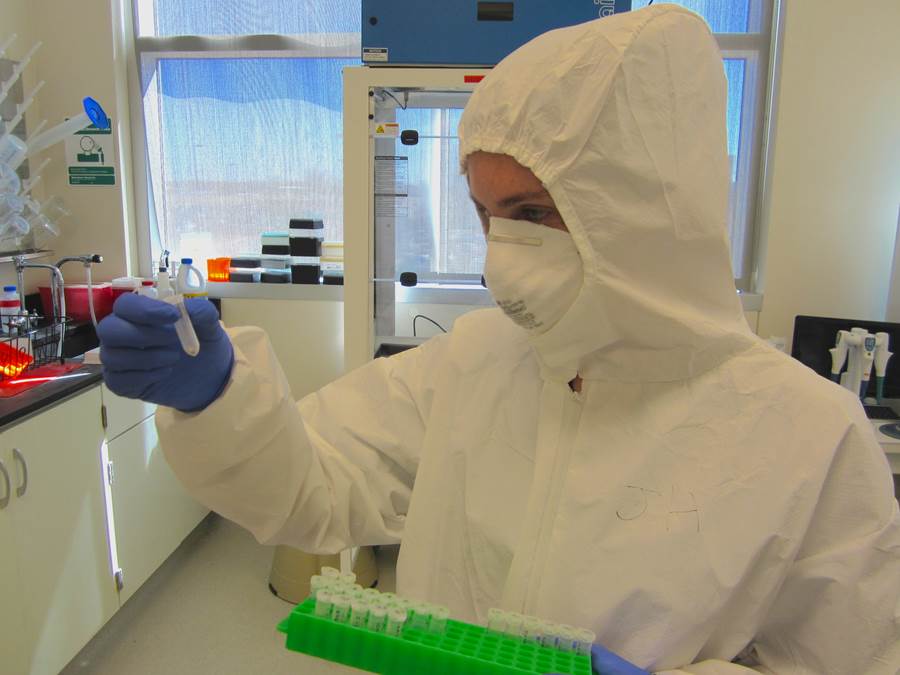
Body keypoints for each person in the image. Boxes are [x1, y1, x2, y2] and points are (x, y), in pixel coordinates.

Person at [98, 5, 900, 674]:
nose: (500, 260)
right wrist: (221, 399)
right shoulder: (476, 360)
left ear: (642, 214)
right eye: (486, 217)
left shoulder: (811, 438)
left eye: (532, 214)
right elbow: (314, 482)